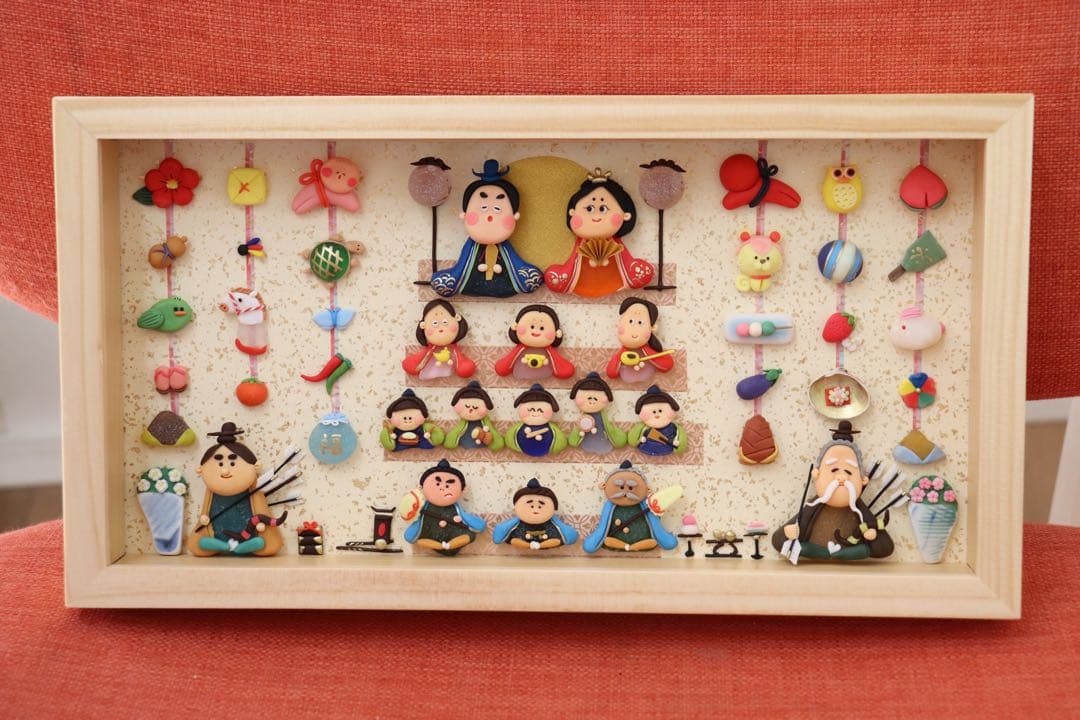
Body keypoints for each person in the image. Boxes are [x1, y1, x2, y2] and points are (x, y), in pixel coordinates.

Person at [771, 421, 894, 561]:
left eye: (849, 471)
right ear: (816, 474)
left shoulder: (860, 511)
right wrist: (788, 534)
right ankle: (822, 553)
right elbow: (778, 542)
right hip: (812, 561)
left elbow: (885, 549)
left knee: (864, 550)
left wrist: (873, 536)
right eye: (834, 469)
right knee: (799, 546)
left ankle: (843, 553)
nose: (841, 477)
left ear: (863, 480)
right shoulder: (811, 507)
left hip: (853, 559)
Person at [430, 159, 542, 298]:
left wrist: (528, 276)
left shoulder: (505, 246)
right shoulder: (471, 245)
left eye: (497, 209)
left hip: (505, 284)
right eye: (483, 208)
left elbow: (516, 262)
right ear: (464, 214)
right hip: (471, 283)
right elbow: (462, 265)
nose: (489, 216)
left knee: (530, 278)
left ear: (515, 216)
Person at [544, 169, 654, 297]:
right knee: (556, 278)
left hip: (614, 277)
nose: (596, 216)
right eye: (589, 208)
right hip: (582, 280)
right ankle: (564, 281)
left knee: (642, 273)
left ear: (626, 215)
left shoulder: (615, 244)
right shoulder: (581, 243)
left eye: (603, 209)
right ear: (572, 212)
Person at [187, 422, 283, 557]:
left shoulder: (253, 489)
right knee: (200, 543)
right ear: (200, 469)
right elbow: (205, 515)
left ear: (255, 466)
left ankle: (241, 547)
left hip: (249, 535)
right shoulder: (212, 491)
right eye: (220, 464)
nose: (225, 470)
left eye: (232, 463)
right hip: (217, 534)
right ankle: (225, 546)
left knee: (261, 543)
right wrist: (204, 520)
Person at [583, 461, 679, 553]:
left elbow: (655, 524)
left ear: (647, 489)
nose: (625, 492)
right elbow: (602, 526)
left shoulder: (646, 505)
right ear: (604, 486)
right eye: (621, 487)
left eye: (630, 488)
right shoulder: (609, 506)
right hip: (614, 542)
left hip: (644, 543)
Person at [402, 459, 486, 556]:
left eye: (447, 485)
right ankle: (440, 545)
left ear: (463, 490)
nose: (442, 488)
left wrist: (474, 523)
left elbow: (476, 524)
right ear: (421, 487)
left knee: (470, 535)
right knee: (421, 540)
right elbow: (412, 533)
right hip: (431, 536)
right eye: (437, 484)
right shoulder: (425, 507)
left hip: (455, 535)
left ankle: (449, 545)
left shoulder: (456, 508)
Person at [492, 478, 579, 550]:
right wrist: (529, 545)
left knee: (555, 540)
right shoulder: (519, 524)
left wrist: (539, 545)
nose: (535, 510)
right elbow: (513, 540)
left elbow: (558, 540)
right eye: (531, 506)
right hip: (523, 540)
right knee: (515, 540)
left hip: (547, 538)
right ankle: (529, 545)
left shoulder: (551, 523)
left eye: (540, 506)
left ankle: (539, 545)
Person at [401, 299, 476, 379]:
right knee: (410, 365)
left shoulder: (454, 349)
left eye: (445, 322)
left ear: (457, 318)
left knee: (466, 369)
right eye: (435, 323)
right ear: (423, 325)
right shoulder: (429, 350)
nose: (441, 328)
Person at [605, 297, 674, 383]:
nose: (634, 329)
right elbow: (611, 373)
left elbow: (668, 364)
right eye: (630, 321)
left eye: (640, 323)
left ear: (652, 328)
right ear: (620, 322)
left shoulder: (650, 350)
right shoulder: (621, 354)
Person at [567, 372, 627, 454]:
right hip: (587, 441)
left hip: (602, 440)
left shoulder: (602, 415)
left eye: (596, 398)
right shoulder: (583, 417)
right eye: (588, 398)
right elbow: (579, 429)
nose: (592, 401)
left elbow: (608, 427)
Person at [504, 384, 567, 457]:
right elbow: (510, 437)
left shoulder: (551, 428)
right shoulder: (518, 427)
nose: (535, 413)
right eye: (531, 410)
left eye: (540, 410)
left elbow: (561, 441)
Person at [627, 385, 687, 456]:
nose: (657, 414)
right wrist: (639, 440)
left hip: (666, 448)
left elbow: (680, 437)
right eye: (653, 412)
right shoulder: (644, 427)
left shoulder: (673, 427)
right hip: (647, 447)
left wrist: (678, 444)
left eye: (660, 411)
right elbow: (633, 439)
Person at [443, 381, 504, 451]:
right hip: (464, 445)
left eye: (475, 407)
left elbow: (492, 431)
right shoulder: (463, 422)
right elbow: (457, 431)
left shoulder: (486, 421)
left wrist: (497, 443)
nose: (471, 409)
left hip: (483, 446)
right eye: (467, 406)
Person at [379, 389, 445, 451]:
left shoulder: (423, 428)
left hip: (420, 441)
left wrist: (428, 435)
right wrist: (392, 437)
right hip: (399, 443)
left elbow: (436, 434)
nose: (407, 419)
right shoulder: (392, 430)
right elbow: (386, 435)